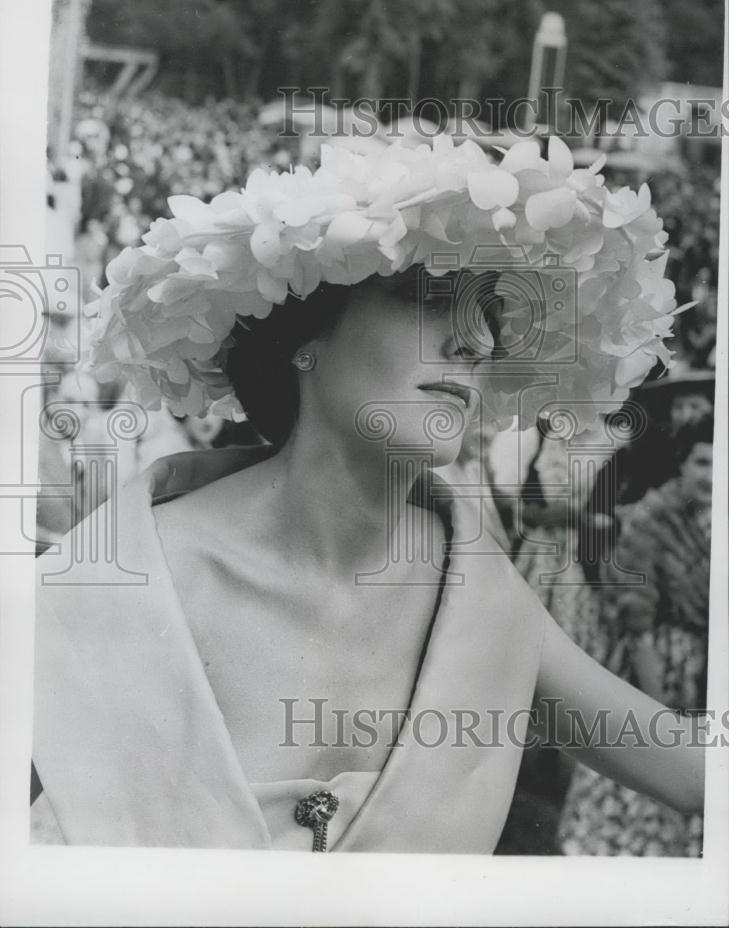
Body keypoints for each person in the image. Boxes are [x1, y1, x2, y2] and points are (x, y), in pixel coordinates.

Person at [32, 135, 705, 851]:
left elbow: (693, 773)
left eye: (490, 317)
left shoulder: (480, 594)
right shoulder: (119, 581)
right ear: (301, 334)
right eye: (427, 297)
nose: (473, 343)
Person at [557, 413, 713, 856]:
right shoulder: (652, 520)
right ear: (681, 464)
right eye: (701, 463)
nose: (710, 477)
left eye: (719, 465)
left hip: (702, 665)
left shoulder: (712, 518)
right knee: (648, 767)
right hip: (656, 664)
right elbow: (635, 620)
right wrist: (659, 706)